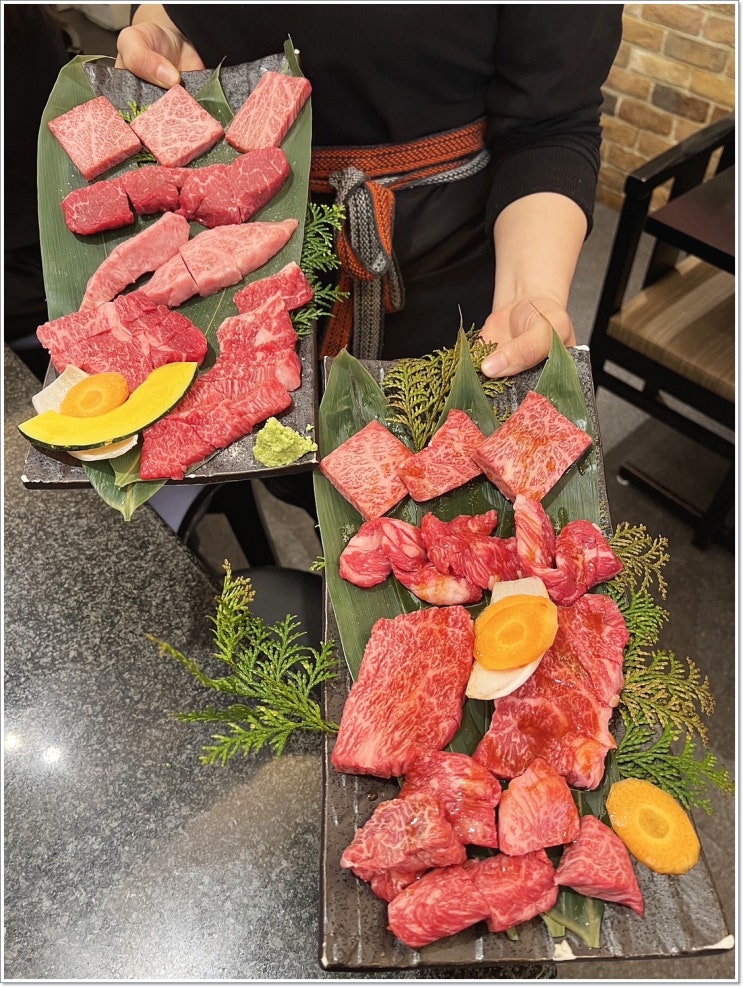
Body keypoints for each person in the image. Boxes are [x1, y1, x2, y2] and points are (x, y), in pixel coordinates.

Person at [115, 4, 624, 377]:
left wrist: (530, 293)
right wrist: (165, 22)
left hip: (430, 272)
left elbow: (549, 126)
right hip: (224, 250)